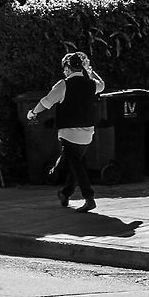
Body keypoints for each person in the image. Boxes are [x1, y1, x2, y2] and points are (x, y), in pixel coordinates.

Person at [30, 51, 105, 211]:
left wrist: (33, 112)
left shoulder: (63, 85)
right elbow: (102, 85)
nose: (64, 72)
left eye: (65, 68)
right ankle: (65, 193)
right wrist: (90, 71)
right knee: (75, 162)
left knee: (76, 164)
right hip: (87, 134)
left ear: (68, 68)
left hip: (69, 133)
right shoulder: (91, 84)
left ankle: (89, 197)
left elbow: (46, 102)